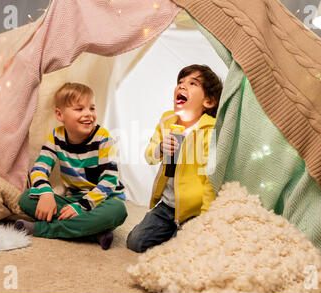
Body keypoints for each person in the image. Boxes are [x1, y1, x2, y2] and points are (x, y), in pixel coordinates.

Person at [15, 83, 127, 250]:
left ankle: (44, 229)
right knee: (26, 198)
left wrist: (81, 207)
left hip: (103, 200)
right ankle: (93, 231)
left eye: (92, 108)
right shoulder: (56, 136)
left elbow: (109, 180)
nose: (88, 114)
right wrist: (46, 193)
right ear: (60, 115)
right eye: (79, 109)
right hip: (73, 198)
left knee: (118, 210)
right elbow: (39, 168)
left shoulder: (103, 138)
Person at [127, 64, 223, 252]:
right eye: (180, 82)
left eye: (193, 83)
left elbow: (210, 180)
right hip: (167, 206)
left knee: (181, 251)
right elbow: (150, 156)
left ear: (209, 102)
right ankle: (171, 232)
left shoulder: (210, 132)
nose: (182, 86)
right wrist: (160, 149)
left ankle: (181, 236)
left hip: (194, 210)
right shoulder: (167, 121)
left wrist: (206, 217)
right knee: (135, 242)